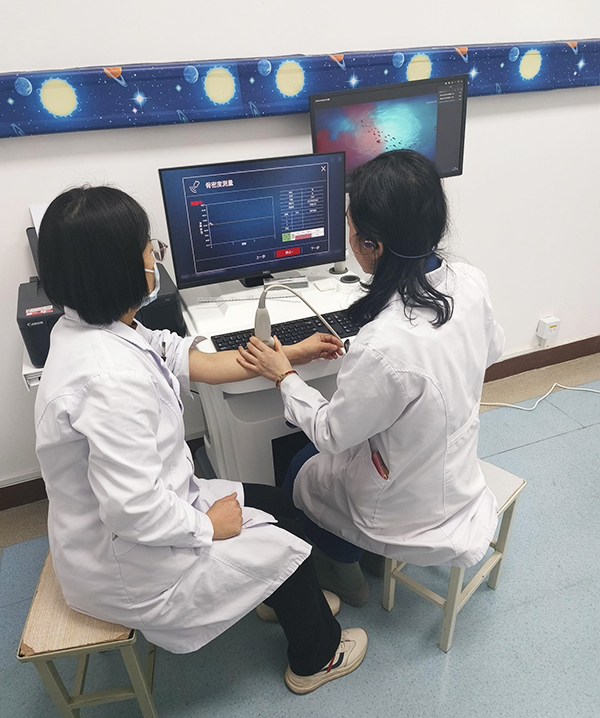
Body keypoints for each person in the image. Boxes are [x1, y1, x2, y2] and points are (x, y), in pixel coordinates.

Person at [34, 185, 367, 694]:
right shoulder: (108, 382)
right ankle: (316, 659)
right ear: (120, 269)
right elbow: (133, 510)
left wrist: (291, 354)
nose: (155, 258)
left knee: (278, 503)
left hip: (151, 512)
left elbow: (197, 361)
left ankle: (281, 599)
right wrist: (208, 526)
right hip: (131, 560)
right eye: (149, 248)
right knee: (292, 549)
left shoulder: (97, 328)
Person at [238, 150, 505, 606]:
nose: (348, 237)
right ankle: (368, 560)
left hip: (402, 506)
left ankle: (347, 575)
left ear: (373, 245)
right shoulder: (469, 281)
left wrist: (285, 376)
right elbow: (491, 350)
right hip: (451, 473)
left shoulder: (385, 344)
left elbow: (332, 434)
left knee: (301, 465)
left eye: (350, 226)